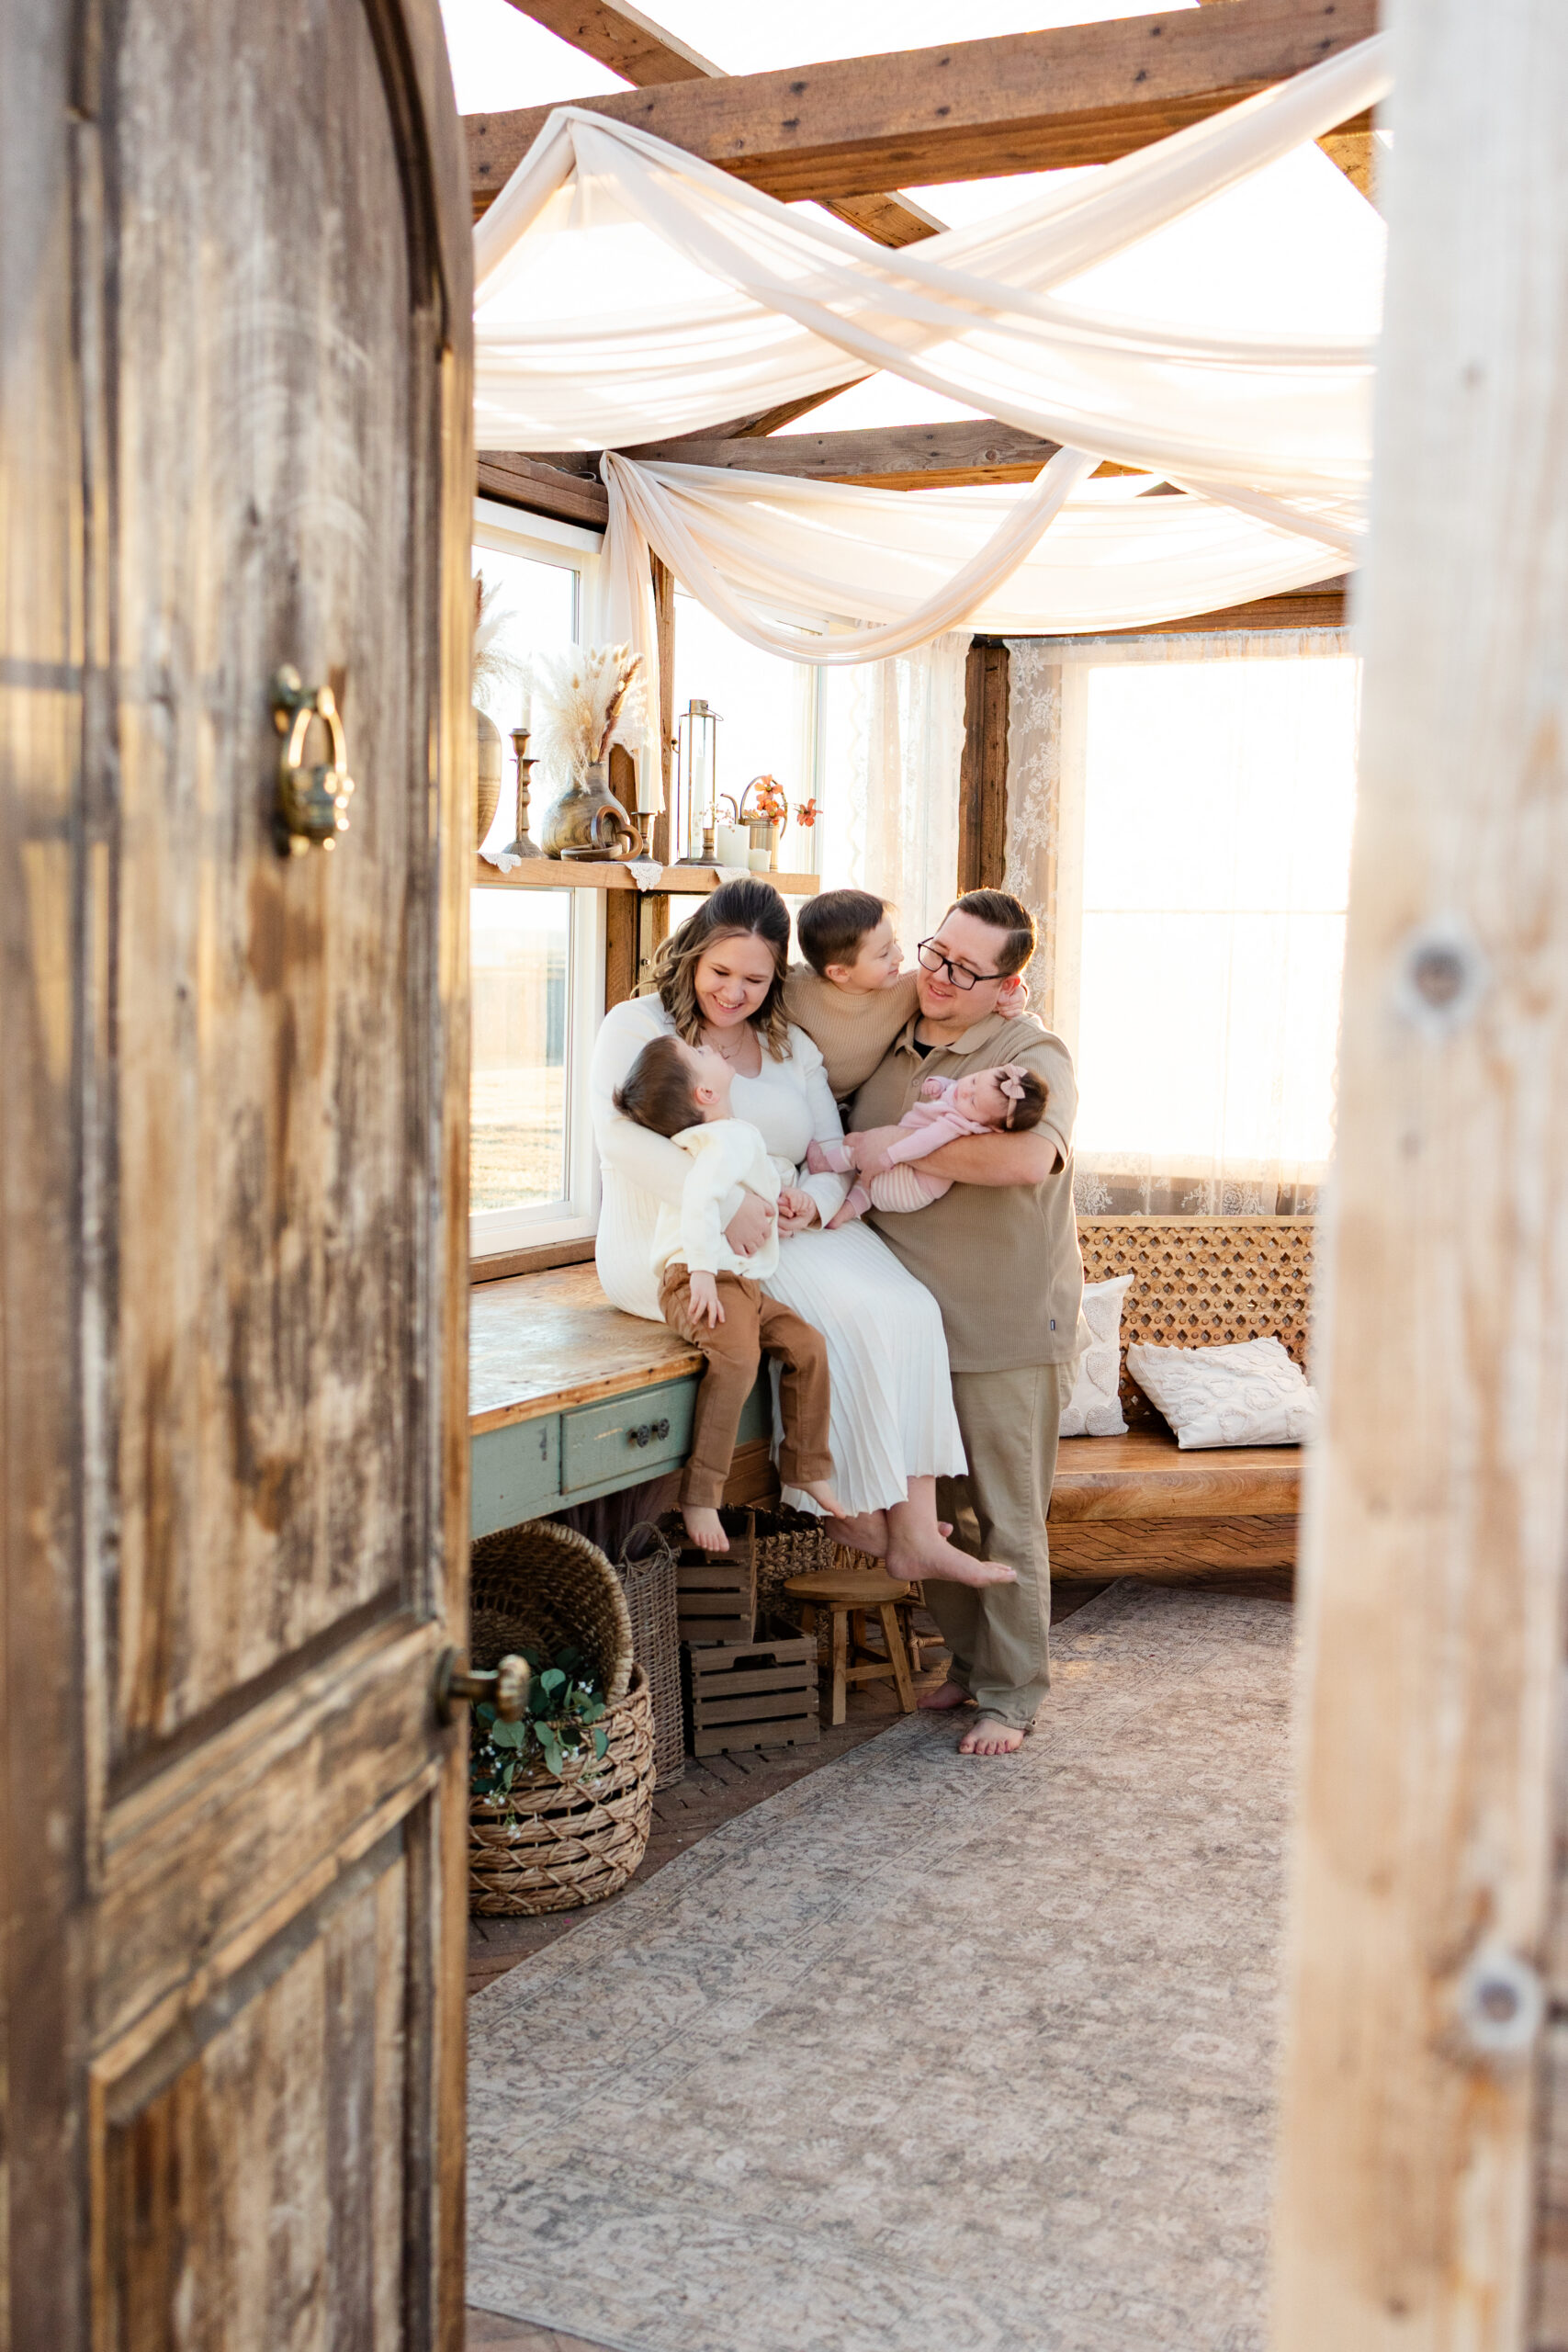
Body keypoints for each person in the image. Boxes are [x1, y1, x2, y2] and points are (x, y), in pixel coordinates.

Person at [589, 878, 1012, 1591]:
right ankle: (846, 1509)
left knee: (908, 1305)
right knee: (854, 1313)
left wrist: (812, 1205)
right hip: (682, 1229)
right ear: (693, 954)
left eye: (755, 979)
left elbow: (826, 1144)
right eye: (721, 972)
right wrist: (728, 1210)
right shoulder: (640, 1026)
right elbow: (619, 1141)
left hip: (783, 1217)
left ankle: (911, 1532)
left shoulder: (785, 1042)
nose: (734, 992)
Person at [847, 890, 1086, 1758]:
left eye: (963, 968)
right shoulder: (897, 1029)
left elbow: (1026, 1155)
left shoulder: (1031, 1049)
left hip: (1006, 1324)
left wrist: (894, 1151)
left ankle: (1014, 1695)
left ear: (1008, 984)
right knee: (932, 1518)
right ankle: (968, 1661)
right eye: (933, 953)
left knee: (1006, 1515)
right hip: (911, 1328)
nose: (937, 977)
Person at [612, 1031, 847, 1553]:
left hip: (743, 1284)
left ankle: (807, 1466)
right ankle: (701, 1493)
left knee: (807, 1345)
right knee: (737, 1361)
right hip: (703, 1278)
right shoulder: (722, 1140)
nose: (709, 1048)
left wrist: (784, 1197)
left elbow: (748, 1184)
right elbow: (698, 1197)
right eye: (699, 1054)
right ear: (705, 1095)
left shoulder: (731, 1135)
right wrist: (699, 1273)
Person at [783, 887, 1025, 1102]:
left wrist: (1015, 993)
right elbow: (756, 974)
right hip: (788, 1098)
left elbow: (984, 984)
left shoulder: (902, 990)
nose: (899, 955)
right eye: (883, 953)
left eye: (895, 942)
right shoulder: (794, 988)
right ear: (839, 972)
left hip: (834, 1113)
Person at [807, 1061, 1047, 1225]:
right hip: (915, 1185)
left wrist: (889, 1155)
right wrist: (940, 1084)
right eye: (974, 1080)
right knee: (867, 1190)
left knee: (859, 1154)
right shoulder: (967, 1104)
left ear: (991, 1127)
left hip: (910, 1185)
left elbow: (921, 1143)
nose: (964, 1090)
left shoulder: (954, 1125)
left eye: (973, 1100)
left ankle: (824, 1164)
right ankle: (840, 1217)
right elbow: (954, 1087)